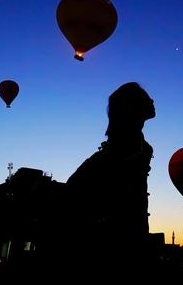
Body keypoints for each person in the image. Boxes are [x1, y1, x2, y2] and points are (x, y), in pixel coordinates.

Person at [65, 82, 155, 266]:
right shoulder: (112, 156)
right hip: (112, 246)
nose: (152, 100)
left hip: (133, 241)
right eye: (146, 98)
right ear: (132, 107)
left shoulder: (143, 148)